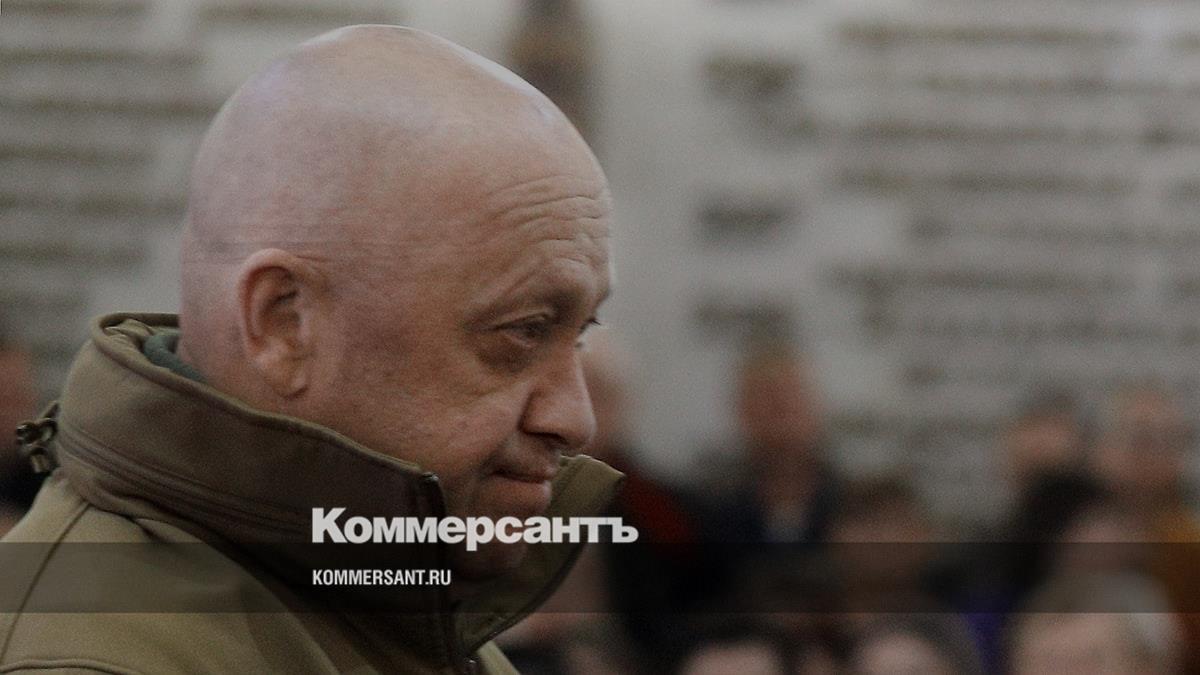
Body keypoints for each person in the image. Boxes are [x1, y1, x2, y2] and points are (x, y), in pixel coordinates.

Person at [0, 25, 621, 674]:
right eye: (523, 331)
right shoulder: (86, 660)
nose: (575, 418)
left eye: (577, 333)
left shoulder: (384, 593)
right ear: (284, 324)